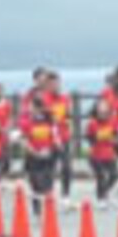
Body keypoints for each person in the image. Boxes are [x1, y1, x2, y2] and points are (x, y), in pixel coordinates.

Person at [20, 92, 59, 216]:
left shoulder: (49, 121)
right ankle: (37, 210)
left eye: (32, 106)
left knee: (47, 182)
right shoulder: (26, 121)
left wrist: (55, 146)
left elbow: (55, 135)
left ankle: (49, 208)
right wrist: (31, 150)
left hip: (48, 155)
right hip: (33, 156)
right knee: (35, 183)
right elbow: (24, 139)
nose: (29, 109)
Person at [43, 72, 74, 209]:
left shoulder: (65, 98)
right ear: (47, 85)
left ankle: (65, 195)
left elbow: (68, 115)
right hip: (49, 138)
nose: (55, 86)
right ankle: (48, 192)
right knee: (49, 167)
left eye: (57, 83)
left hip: (64, 137)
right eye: (52, 84)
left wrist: (69, 126)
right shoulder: (43, 99)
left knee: (67, 166)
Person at [86, 100, 118, 209]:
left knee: (114, 175)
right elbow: (90, 139)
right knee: (101, 176)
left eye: (105, 108)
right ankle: (101, 198)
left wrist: (116, 148)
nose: (103, 111)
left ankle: (107, 193)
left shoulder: (113, 121)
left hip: (109, 153)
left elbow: (116, 136)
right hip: (96, 154)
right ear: (96, 110)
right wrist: (99, 140)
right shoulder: (92, 123)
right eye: (100, 108)